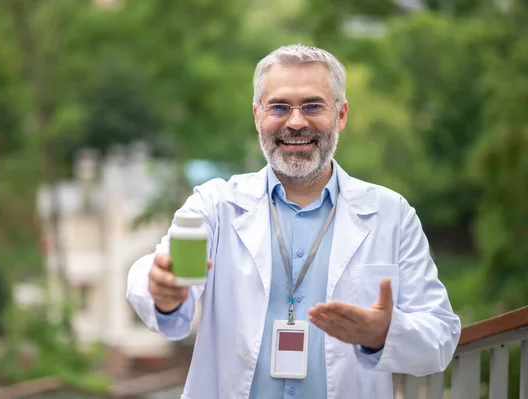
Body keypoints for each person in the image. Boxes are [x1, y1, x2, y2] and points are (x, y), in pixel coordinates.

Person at [126, 44, 461, 399]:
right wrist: (162, 292)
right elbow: (161, 276)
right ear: (257, 115)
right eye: (279, 107)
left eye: (313, 106)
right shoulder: (215, 204)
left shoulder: (391, 214)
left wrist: (383, 332)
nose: (296, 122)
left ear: (342, 115)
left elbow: (440, 336)